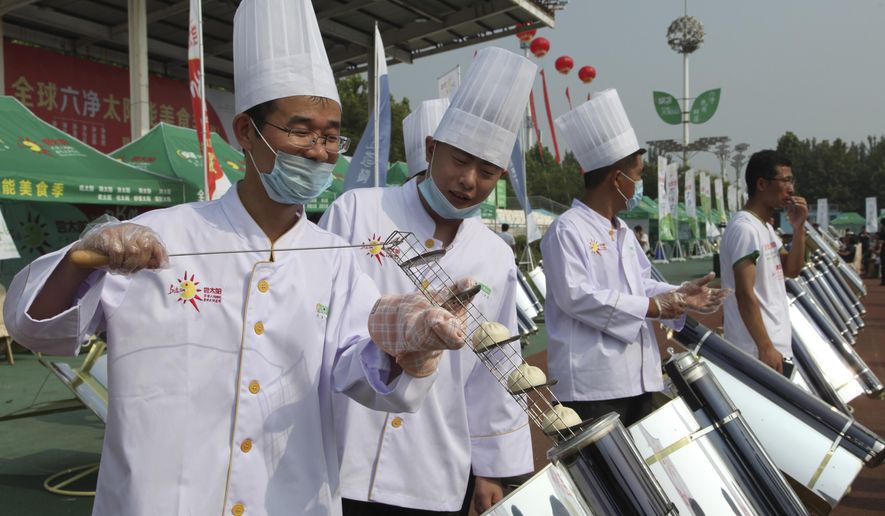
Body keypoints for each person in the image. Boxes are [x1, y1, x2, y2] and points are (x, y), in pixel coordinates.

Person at [2, 1, 468, 514]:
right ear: (247, 132)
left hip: (289, 499)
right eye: (300, 130)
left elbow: (363, 375)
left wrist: (413, 347)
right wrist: (79, 258)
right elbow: (37, 329)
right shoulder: (159, 238)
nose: (318, 150)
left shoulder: (333, 258)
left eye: (332, 136)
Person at [320, 48, 535, 516]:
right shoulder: (358, 212)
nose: (469, 181)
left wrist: (492, 466)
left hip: (431, 466)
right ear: (432, 148)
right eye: (460, 161)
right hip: (338, 455)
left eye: (487, 172)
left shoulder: (495, 256)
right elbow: (316, 325)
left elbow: (496, 367)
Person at [541, 90, 729, 426]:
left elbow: (641, 283)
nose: (639, 183)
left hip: (637, 375)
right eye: (639, 175)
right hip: (592, 385)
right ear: (618, 179)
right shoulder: (566, 230)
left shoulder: (623, 231)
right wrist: (654, 307)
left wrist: (681, 294)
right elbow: (576, 296)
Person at [720, 150, 807, 373]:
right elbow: (745, 293)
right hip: (755, 351)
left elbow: (792, 269)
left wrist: (799, 229)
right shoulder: (745, 229)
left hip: (773, 347)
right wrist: (765, 345)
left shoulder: (765, 227)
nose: (791, 188)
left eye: (792, 180)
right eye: (785, 180)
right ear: (761, 184)